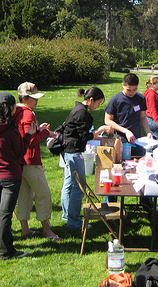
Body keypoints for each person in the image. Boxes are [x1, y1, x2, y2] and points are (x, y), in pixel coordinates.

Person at [0, 92, 36, 260]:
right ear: (10, 108)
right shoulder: (10, 130)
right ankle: (6, 251)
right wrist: (29, 135)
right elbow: (20, 153)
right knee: (5, 213)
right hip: (10, 176)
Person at [61, 87, 113, 230]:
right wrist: (101, 129)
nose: (98, 106)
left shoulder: (78, 109)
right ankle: (74, 222)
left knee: (70, 184)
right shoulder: (82, 113)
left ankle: (68, 216)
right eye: (98, 103)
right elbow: (85, 137)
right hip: (74, 152)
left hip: (69, 150)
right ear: (91, 100)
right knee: (79, 187)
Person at [14, 82, 61, 241]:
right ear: (25, 98)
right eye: (33, 98)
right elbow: (29, 139)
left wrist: (39, 129)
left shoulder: (16, 111)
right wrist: (45, 133)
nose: (37, 101)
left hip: (19, 162)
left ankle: (25, 229)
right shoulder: (27, 113)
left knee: (24, 196)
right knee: (43, 195)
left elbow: (26, 133)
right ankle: (47, 230)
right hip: (31, 160)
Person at [104, 73, 152, 157]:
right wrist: (125, 131)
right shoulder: (115, 100)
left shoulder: (140, 98)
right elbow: (107, 120)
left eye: (134, 89)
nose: (132, 92)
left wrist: (148, 132)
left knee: (137, 163)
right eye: (129, 90)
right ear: (123, 85)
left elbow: (142, 117)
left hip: (137, 139)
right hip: (121, 139)